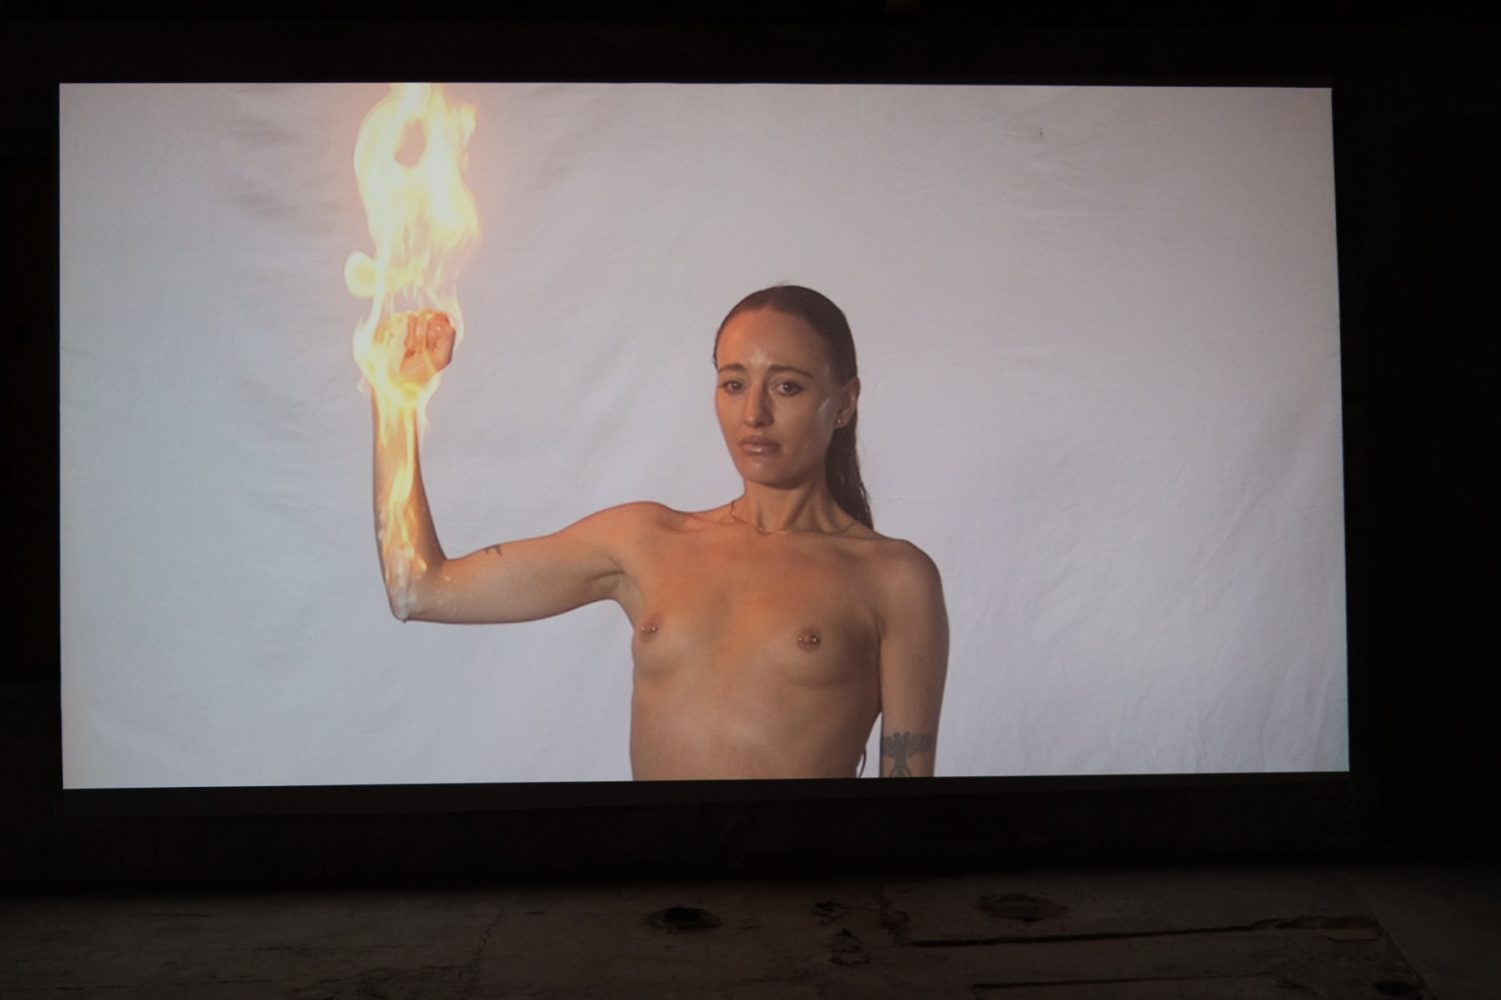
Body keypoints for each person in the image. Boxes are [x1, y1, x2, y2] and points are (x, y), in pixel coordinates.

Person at [369, 285, 948, 779]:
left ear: (844, 403)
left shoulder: (893, 578)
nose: (753, 414)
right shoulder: (646, 542)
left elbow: (908, 810)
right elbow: (418, 588)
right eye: (733, 383)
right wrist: (395, 401)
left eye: (787, 387)